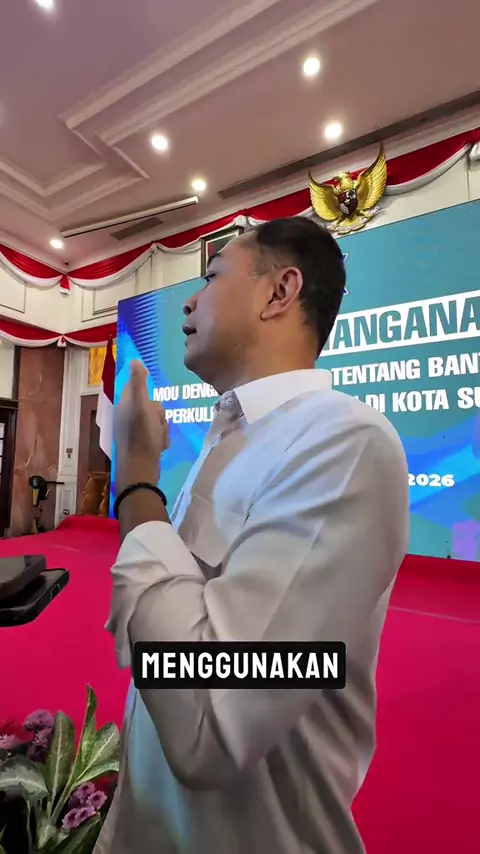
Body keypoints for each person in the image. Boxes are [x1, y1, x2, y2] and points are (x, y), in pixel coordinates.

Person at [95, 217, 409, 854]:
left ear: (279, 292)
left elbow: (207, 723)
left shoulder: (346, 442)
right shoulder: (229, 439)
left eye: (211, 278)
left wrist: (135, 482)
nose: (187, 302)